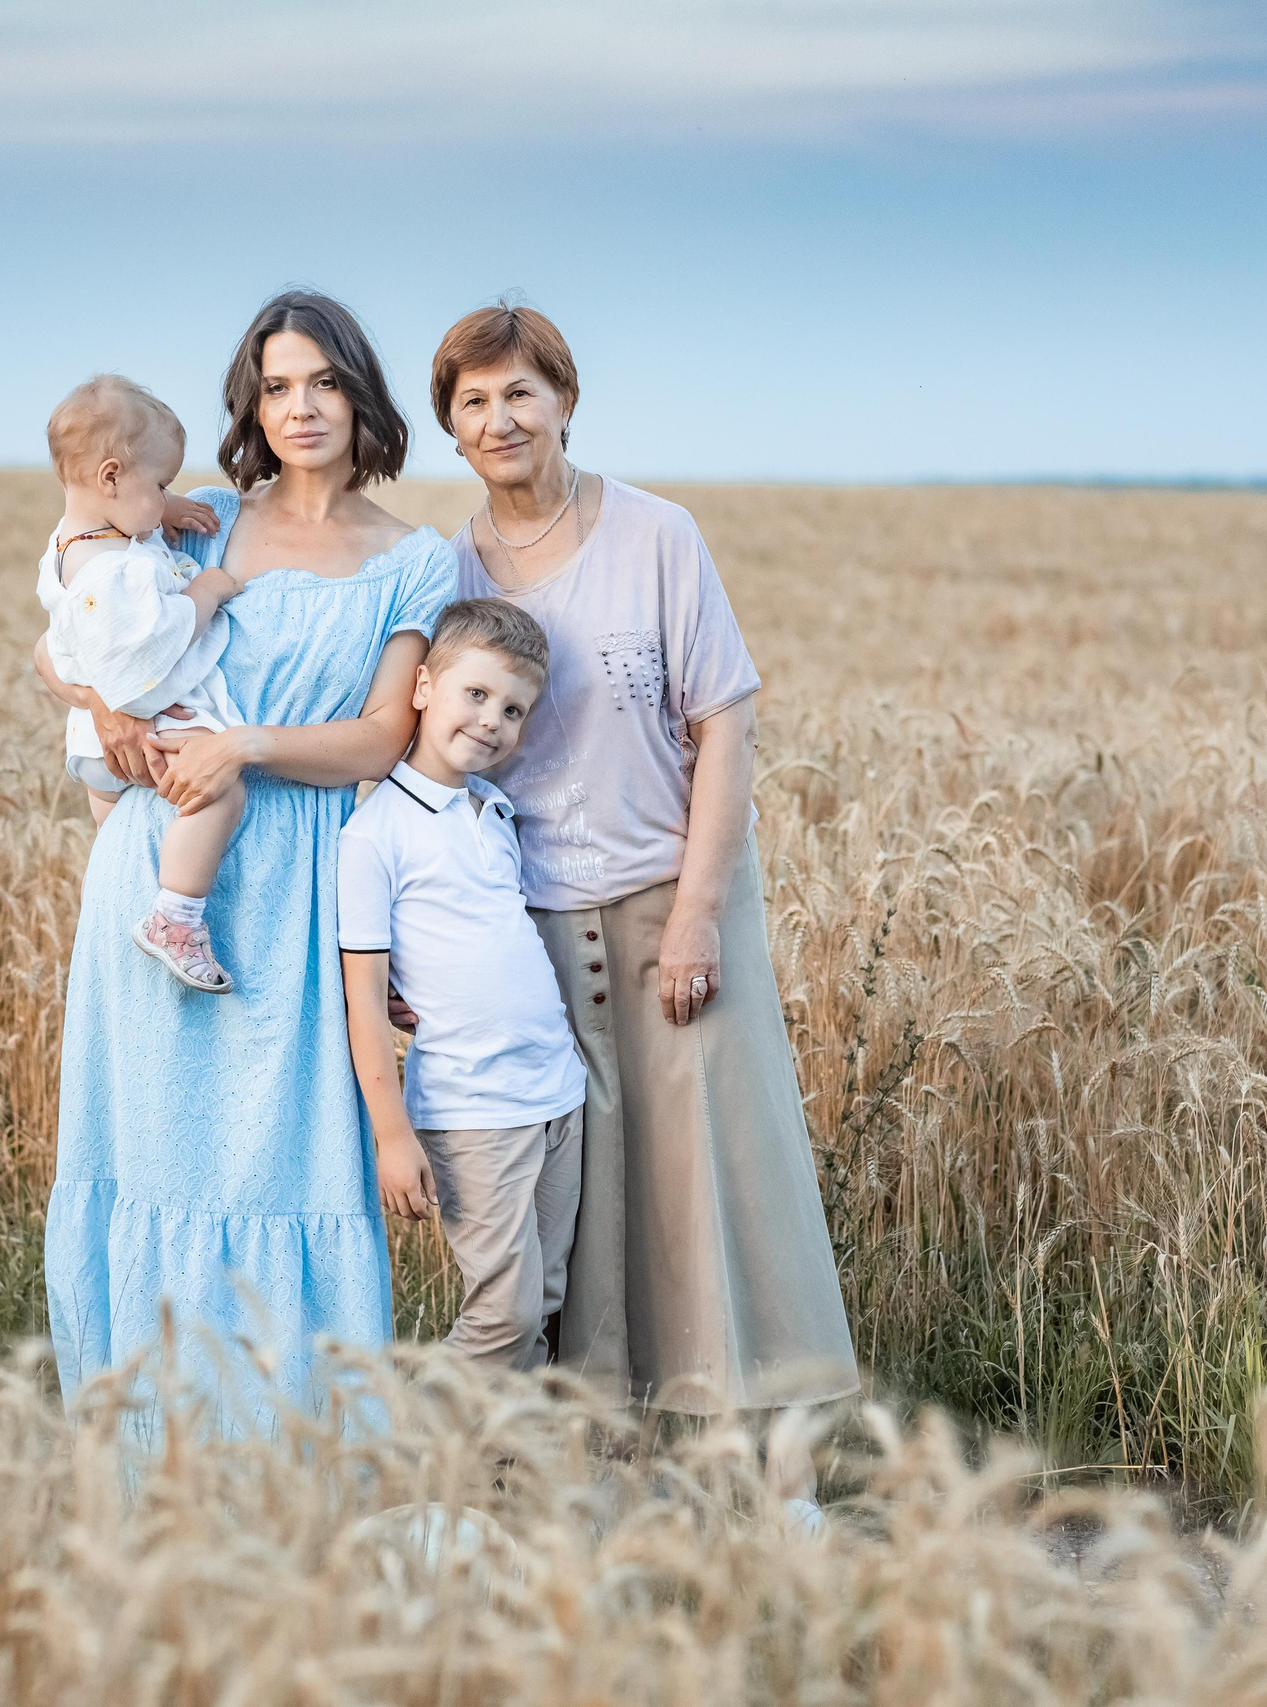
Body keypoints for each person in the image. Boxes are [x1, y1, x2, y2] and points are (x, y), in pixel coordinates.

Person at [429, 301, 859, 1413]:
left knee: (718, 1164)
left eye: (520, 390)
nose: (500, 417)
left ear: (565, 400)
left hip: (674, 896)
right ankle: (608, 1432)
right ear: (451, 428)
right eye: (473, 401)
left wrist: (698, 915)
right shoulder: (444, 571)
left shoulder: (656, 535)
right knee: (588, 1184)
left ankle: (771, 1432)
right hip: (529, 924)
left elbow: (726, 721)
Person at [38, 292, 455, 1420]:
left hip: (294, 887)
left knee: (282, 1166)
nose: (300, 406)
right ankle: (144, 1458)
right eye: (276, 386)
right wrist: (103, 712)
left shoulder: (414, 561)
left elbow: (381, 736)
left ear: (359, 395)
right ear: (251, 403)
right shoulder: (196, 522)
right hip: (160, 873)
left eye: (322, 381)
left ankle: (287, 1462)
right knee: (153, 1160)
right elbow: (62, 636)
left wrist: (245, 747)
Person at [339, 599, 587, 1371]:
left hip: (556, 1094)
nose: (491, 720)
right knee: (503, 1314)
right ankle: (413, 1452)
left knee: (542, 1300)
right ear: (422, 687)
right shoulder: (375, 836)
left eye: (513, 709)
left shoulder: (495, 813)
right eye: (474, 694)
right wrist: (391, 1133)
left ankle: (502, 1474)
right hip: (473, 1110)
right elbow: (365, 1001)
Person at [33, 375, 248, 992]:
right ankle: (175, 919)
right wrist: (205, 592)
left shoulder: (72, 541)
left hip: (88, 746)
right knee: (222, 792)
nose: (165, 498)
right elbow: (149, 659)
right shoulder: (115, 573)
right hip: (146, 732)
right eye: (161, 485)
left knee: (123, 848)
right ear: (110, 477)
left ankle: (128, 890)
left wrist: (162, 511)